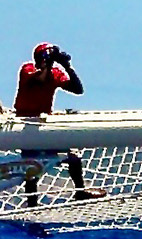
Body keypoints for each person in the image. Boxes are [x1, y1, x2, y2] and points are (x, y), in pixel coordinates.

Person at [13, 43, 102, 205]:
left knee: (73, 157)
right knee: (32, 165)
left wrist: (67, 66)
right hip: (26, 126)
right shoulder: (27, 69)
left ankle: (80, 191)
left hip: (43, 124)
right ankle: (32, 202)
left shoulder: (55, 73)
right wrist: (46, 63)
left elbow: (78, 89)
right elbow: (39, 79)